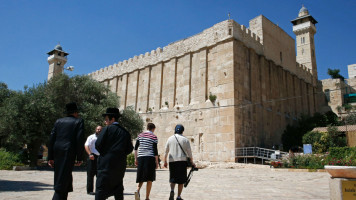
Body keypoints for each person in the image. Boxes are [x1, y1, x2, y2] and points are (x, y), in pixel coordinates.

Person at [48, 102, 84, 200]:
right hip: (68, 152)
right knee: (62, 180)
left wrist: (50, 157)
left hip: (57, 151)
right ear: (75, 112)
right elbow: (79, 140)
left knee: (64, 177)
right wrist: (79, 157)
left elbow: (51, 139)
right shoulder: (78, 122)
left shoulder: (58, 121)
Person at [95, 108, 134, 200]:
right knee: (118, 188)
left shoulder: (107, 129)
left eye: (106, 119)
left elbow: (98, 144)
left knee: (101, 189)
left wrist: (106, 154)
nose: (105, 122)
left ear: (112, 119)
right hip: (119, 166)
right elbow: (129, 149)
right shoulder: (125, 132)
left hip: (105, 165)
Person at [164, 124, 194, 200]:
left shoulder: (170, 139)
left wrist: (165, 161)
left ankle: (172, 191)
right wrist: (192, 161)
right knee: (181, 180)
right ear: (182, 131)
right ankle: (178, 196)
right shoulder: (185, 140)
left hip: (172, 161)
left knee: (173, 178)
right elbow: (189, 152)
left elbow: (166, 151)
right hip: (182, 161)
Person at [134, 123, 159, 200]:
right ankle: (147, 197)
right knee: (149, 178)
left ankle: (137, 190)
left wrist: (136, 158)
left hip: (141, 157)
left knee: (141, 176)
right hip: (150, 158)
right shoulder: (154, 137)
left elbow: (135, 148)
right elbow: (155, 151)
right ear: (153, 128)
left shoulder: (140, 135)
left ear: (147, 128)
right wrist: (157, 162)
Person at [85, 125, 102, 195]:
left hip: (100, 157)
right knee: (90, 174)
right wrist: (90, 154)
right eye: (98, 129)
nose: (99, 130)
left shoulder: (103, 137)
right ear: (95, 129)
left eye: (100, 130)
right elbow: (86, 145)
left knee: (100, 174)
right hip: (92, 156)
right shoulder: (91, 137)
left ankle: (99, 190)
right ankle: (90, 190)